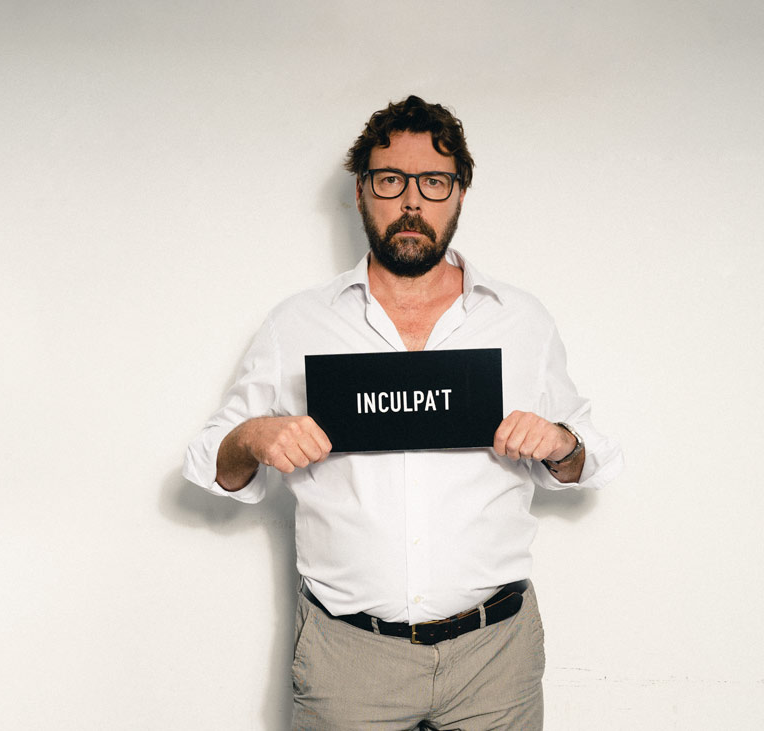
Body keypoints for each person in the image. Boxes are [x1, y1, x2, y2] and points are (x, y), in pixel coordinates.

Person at [182, 96, 623, 730]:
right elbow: (210, 463)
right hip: (348, 659)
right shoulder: (296, 323)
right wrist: (254, 436)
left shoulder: (522, 320)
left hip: (495, 655)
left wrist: (562, 443)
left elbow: (591, 457)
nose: (412, 202)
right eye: (391, 180)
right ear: (362, 191)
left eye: (433, 182)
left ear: (459, 193)